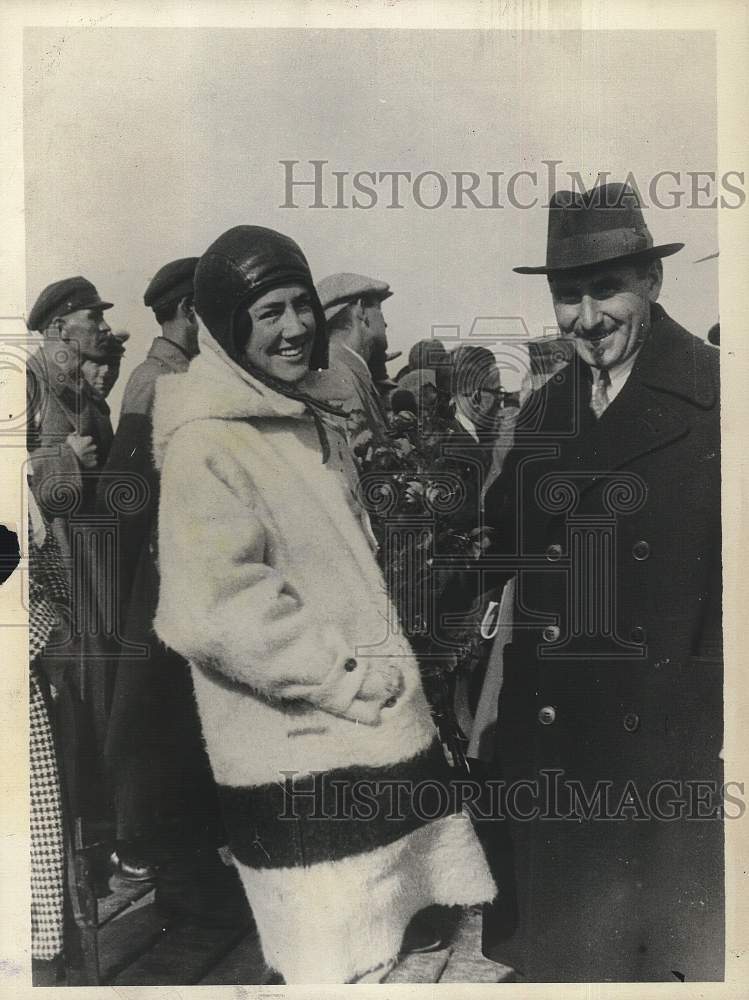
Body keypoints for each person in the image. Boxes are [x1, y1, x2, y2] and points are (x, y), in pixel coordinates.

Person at [151, 225, 496, 983]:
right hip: (300, 746)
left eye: (299, 304)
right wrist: (345, 674)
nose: (296, 326)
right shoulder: (206, 442)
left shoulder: (298, 415)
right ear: (227, 327)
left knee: (396, 949)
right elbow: (216, 608)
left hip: (369, 743)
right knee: (337, 960)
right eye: (268, 312)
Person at [482, 182, 723, 981]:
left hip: (663, 768)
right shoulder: (550, 407)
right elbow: (504, 544)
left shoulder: (717, 399)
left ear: (651, 283)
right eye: (566, 297)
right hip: (555, 758)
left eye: (605, 289)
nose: (585, 319)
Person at [98, 258, 246, 922]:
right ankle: (182, 887)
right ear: (188, 310)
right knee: (163, 733)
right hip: (160, 591)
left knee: (190, 731)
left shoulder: (184, 379)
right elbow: (123, 500)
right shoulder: (153, 383)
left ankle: (196, 879)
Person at [26, 277, 116, 560]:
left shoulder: (86, 393)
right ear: (60, 328)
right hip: (53, 559)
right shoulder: (26, 381)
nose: (105, 327)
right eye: (94, 316)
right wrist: (69, 459)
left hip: (97, 553)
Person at [316, 272, 393, 438]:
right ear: (361, 309)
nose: (385, 322)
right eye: (379, 309)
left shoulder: (346, 372)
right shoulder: (339, 380)